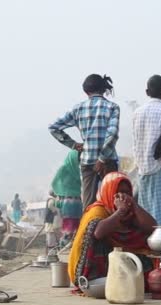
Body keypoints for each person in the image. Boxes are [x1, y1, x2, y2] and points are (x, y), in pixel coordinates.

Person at [68, 172, 157, 289]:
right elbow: (98, 232)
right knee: (97, 241)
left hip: (124, 261)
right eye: (118, 192)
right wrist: (119, 212)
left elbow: (152, 227)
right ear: (109, 192)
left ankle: (137, 279)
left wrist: (134, 205)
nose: (122, 196)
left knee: (149, 239)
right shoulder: (97, 210)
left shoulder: (129, 211)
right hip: (100, 268)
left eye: (126, 193)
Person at [49, 74, 120, 210]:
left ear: (86, 91)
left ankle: (89, 230)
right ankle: (112, 230)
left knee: (88, 205)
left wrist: (73, 144)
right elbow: (112, 135)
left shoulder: (78, 109)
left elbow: (53, 127)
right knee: (113, 203)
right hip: (108, 161)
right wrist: (102, 159)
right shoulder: (112, 107)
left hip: (87, 161)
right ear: (103, 89)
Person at [133, 75, 161, 227]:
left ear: (147, 92)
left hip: (142, 169)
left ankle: (147, 246)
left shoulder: (137, 113)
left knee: (146, 212)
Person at [51, 150, 84, 245]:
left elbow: (55, 182)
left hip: (68, 203)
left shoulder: (65, 169)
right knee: (75, 227)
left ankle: (66, 246)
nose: (78, 160)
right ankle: (72, 245)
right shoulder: (78, 169)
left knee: (69, 227)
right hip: (78, 202)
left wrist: (59, 195)